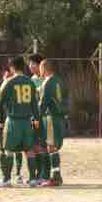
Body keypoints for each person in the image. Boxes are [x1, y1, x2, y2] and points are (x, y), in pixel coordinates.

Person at [0, 56, 39, 187]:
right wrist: (37, 118)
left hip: (13, 121)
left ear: (12, 67)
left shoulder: (8, 82)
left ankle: (6, 180)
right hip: (27, 122)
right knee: (29, 150)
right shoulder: (30, 82)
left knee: (8, 150)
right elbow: (35, 104)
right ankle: (33, 179)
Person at [39, 59, 66, 187]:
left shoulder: (47, 82)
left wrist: (36, 117)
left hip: (51, 117)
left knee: (51, 146)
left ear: (44, 68)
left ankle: (56, 177)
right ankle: (56, 175)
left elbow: (43, 102)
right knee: (54, 146)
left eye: (40, 68)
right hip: (60, 116)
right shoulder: (59, 80)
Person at [28, 53, 51, 183]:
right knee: (35, 145)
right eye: (29, 64)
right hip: (34, 116)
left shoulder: (47, 80)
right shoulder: (31, 80)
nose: (30, 66)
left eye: (33, 64)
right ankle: (37, 173)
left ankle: (45, 173)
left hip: (45, 117)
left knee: (45, 145)